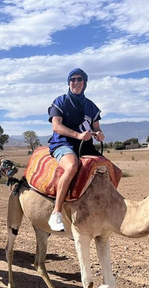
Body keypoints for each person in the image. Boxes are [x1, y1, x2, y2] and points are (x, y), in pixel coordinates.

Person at [47, 68, 105, 232]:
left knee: (109, 168)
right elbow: (56, 126)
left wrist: (99, 135)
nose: (76, 82)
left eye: (80, 79)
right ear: (69, 82)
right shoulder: (60, 102)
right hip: (62, 143)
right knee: (72, 165)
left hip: (85, 146)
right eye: (73, 79)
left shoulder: (91, 106)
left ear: (85, 83)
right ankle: (56, 212)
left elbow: (96, 128)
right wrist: (77, 135)